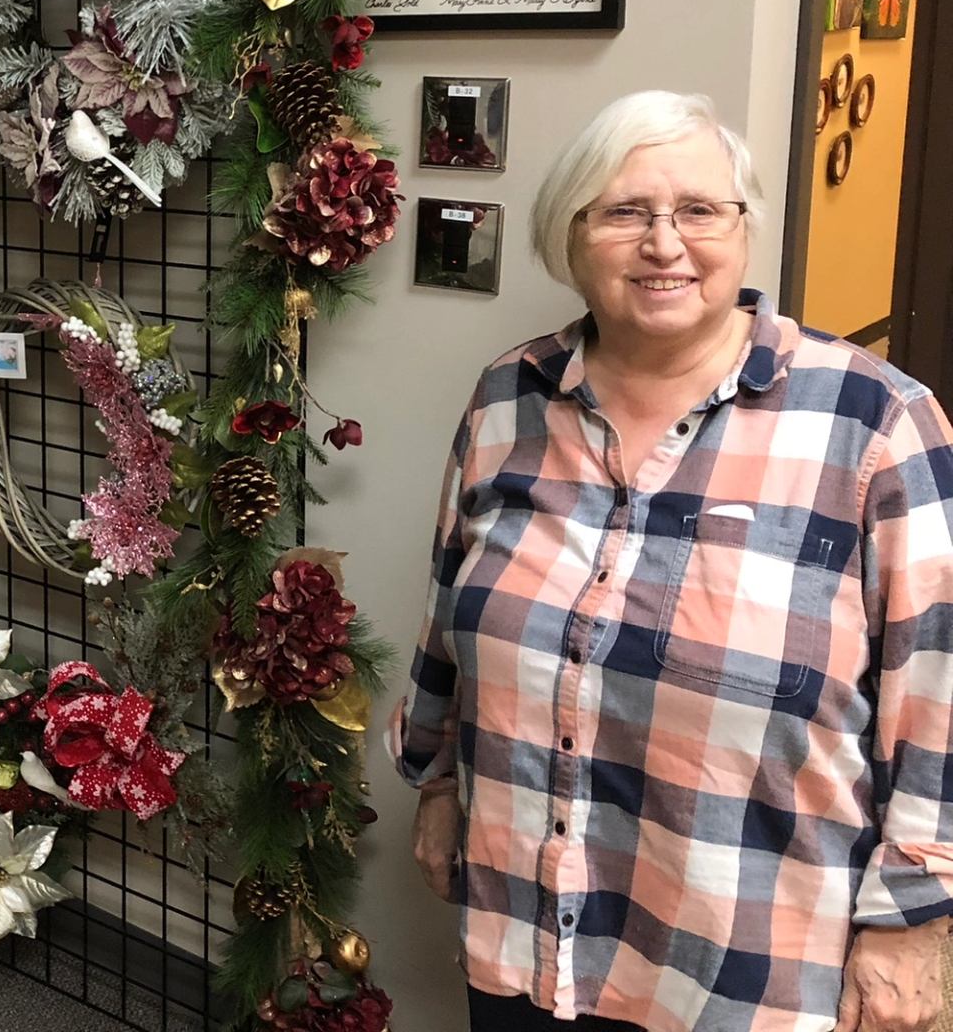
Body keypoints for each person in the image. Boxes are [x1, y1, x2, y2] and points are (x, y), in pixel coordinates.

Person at [388, 91, 953, 1032]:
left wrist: (915, 924)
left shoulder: (876, 425)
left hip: (748, 969)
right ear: (570, 237)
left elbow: (938, 692)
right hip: (527, 934)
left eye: (699, 210)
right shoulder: (508, 397)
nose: (664, 244)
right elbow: (451, 618)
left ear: (744, 228)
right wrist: (437, 783)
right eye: (624, 212)